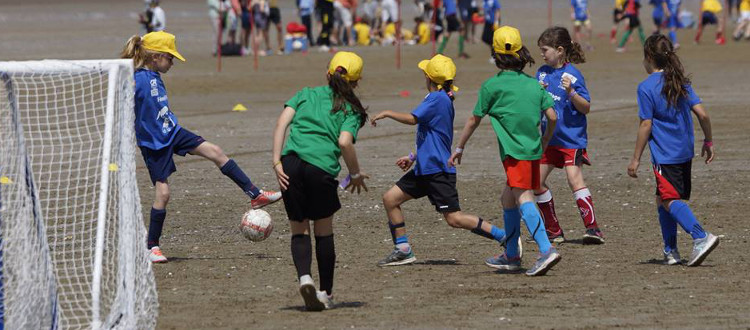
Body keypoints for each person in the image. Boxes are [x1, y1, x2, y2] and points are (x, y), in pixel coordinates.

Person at [120, 31, 282, 263]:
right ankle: (152, 247)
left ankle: (255, 195)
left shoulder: (155, 75)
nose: (173, 62)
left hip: (173, 131)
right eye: (170, 57)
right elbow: (123, 102)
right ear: (155, 57)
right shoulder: (137, 79)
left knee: (215, 151)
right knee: (163, 193)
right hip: (154, 143)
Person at [370, 54, 510, 267]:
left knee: (454, 219)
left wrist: (388, 112)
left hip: (437, 171)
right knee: (390, 199)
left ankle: (504, 237)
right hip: (424, 169)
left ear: (428, 77)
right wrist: (412, 157)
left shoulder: (437, 99)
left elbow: (412, 119)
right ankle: (403, 249)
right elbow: (434, 137)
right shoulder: (441, 98)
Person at [449, 26, 561, 276]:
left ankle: (546, 249)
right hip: (533, 152)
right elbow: (552, 116)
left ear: (496, 56)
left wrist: (459, 147)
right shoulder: (534, 85)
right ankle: (512, 254)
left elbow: (473, 120)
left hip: (515, 154)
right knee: (507, 199)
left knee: (523, 198)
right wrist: (545, 140)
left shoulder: (492, 86)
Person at [272, 52, 369, 310]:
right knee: (323, 230)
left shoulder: (306, 93)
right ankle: (325, 293)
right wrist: (355, 174)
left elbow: (282, 124)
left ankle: (305, 278)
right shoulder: (352, 109)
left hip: (290, 164)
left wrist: (276, 161)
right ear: (356, 82)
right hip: (320, 169)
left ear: (328, 73)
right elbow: (344, 142)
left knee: (298, 229)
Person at [627, 34, 719, 266]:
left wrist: (635, 158)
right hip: (684, 152)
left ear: (649, 58)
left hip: (665, 155)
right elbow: (703, 114)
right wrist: (708, 141)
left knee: (669, 200)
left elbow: (645, 124)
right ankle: (671, 251)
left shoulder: (645, 87)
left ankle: (700, 236)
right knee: (662, 198)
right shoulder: (680, 81)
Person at [534, 27, 603, 244]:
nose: (542, 54)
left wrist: (571, 92)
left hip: (571, 139)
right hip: (548, 139)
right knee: (535, 181)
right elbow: (538, 106)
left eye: (545, 50)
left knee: (574, 180)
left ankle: (593, 230)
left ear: (560, 50)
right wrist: (537, 92)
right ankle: (554, 231)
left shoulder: (572, 75)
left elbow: (586, 107)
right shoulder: (541, 73)